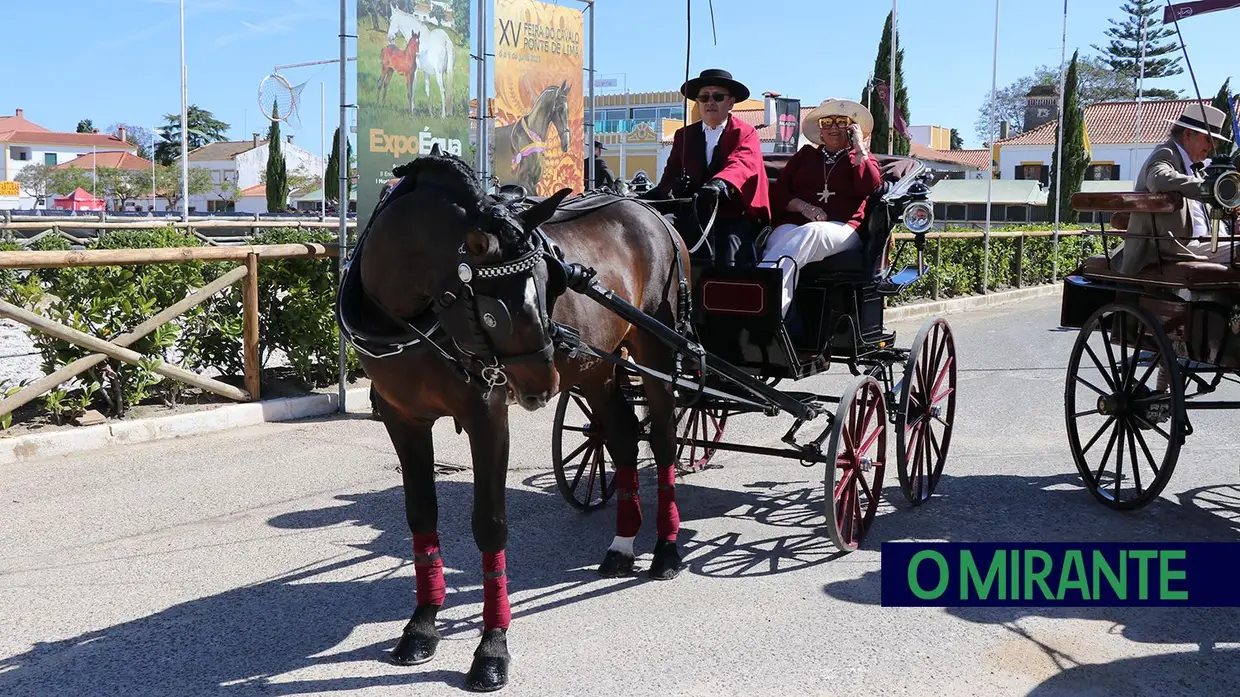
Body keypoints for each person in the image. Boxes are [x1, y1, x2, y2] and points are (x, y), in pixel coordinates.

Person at [758, 98, 882, 317]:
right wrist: (805, 208)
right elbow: (778, 193)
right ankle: (776, 306)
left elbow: (870, 185)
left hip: (845, 229)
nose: (833, 127)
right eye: (827, 122)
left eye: (841, 121)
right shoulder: (804, 156)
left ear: (852, 128)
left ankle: (767, 306)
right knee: (778, 237)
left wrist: (859, 147)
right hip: (798, 225)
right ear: (820, 129)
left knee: (812, 232)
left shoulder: (859, 157)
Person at [641, 68, 770, 266]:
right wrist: (655, 195)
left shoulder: (745, 132)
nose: (710, 102)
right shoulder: (684, 135)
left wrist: (719, 184)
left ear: (731, 102)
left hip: (733, 213)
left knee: (729, 245)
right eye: (703, 97)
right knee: (658, 232)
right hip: (693, 212)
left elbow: (742, 163)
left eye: (717, 96)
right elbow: (670, 174)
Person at [1114, 102, 1236, 275]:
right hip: (1176, 247)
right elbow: (1157, 179)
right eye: (1209, 139)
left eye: (1215, 142)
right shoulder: (1166, 153)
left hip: (1206, 242)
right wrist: (1208, 188)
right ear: (1187, 134)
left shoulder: (1197, 168)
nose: (1212, 146)